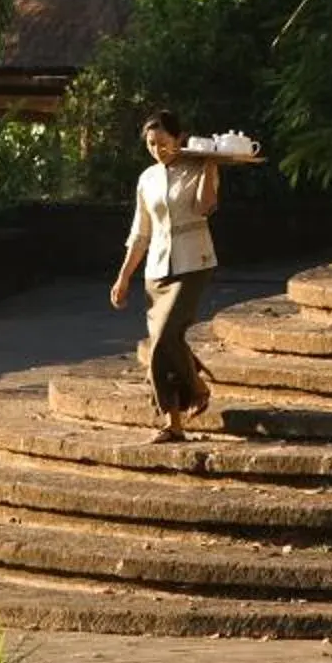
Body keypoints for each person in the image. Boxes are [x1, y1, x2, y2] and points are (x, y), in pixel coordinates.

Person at [110, 108, 222, 441]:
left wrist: (208, 166)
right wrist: (123, 277)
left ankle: (197, 387)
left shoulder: (197, 167)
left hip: (194, 262)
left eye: (163, 143)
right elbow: (140, 232)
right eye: (150, 144)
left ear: (179, 138)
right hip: (156, 268)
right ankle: (174, 421)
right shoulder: (147, 179)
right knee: (164, 343)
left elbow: (205, 207)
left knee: (163, 336)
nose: (157, 150)